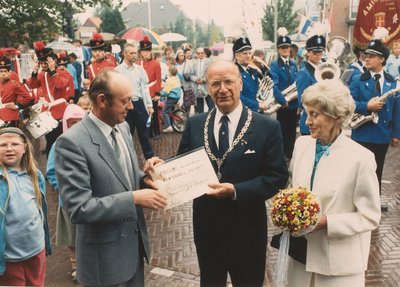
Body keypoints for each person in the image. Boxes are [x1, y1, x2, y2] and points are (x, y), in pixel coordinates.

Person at [176, 59, 288, 286]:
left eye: (228, 82)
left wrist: (236, 190)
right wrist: (161, 167)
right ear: (208, 87)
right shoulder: (195, 124)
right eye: (215, 83)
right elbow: (182, 166)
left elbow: (277, 177)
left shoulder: (266, 127)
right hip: (207, 229)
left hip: (247, 231)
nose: (222, 89)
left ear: (240, 84)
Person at [55, 68, 167, 286]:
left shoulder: (123, 127)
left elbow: (121, 172)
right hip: (103, 262)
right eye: (125, 101)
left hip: (133, 251)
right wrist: (133, 198)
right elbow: (78, 208)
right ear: (102, 100)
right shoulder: (71, 143)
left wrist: (144, 177)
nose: (132, 107)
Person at [287, 80, 381, 287]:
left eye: (314, 114)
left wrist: (328, 223)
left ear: (337, 117)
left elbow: (370, 216)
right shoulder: (301, 145)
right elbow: (292, 190)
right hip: (301, 259)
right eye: (306, 113)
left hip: (338, 268)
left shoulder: (361, 158)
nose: (307, 121)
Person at [349, 33, 400, 212]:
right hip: (362, 133)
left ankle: (373, 204)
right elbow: (348, 104)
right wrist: (366, 106)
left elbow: (397, 110)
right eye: (366, 55)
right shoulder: (357, 79)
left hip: (382, 134)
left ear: (382, 59)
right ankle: (356, 204)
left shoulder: (392, 82)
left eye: (371, 56)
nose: (366, 58)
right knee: (359, 171)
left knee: (378, 169)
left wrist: (395, 134)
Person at [0, 128, 52, 286]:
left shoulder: (35, 175)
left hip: (35, 250)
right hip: (8, 256)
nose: (9, 148)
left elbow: (40, 210)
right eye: (3, 145)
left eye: (15, 144)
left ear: (24, 148)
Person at [46, 104, 85, 284]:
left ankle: (87, 263)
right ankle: (76, 265)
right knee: (71, 236)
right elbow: (51, 171)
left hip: (88, 198)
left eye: (80, 122)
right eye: (72, 122)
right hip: (68, 200)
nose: (77, 125)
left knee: (87, 233)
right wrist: (63, 188)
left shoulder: (90, 141)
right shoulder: (58, 143)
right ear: (66, 124)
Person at [26, 41, 70, 156]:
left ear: (52, 60)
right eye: (41, 63)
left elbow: (61, 85)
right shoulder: (41, 74)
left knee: (60, 140)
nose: (44, 65)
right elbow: (31, 85)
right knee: (50, 142)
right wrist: (35, 71)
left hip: (59, 111)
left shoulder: (63, 72)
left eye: (46, 62)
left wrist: (52, 70)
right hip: (47, 112)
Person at [115, 43, 155, 160]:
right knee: (126, 135)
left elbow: (145, 88)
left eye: (135, 53)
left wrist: (149, 105)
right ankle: (128, 161)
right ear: (125, 54)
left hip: (139, 104)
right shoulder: (117, 71)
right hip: (125, 106)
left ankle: (151, 159)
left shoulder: (140, 70)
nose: (134, 55)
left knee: (144, 135)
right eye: (131, 53)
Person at [270, 29, 299, 160]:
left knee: (292, 131)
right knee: (282, 131)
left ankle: (290, 153)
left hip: (293, 104)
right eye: (282, 48)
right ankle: (281, 155)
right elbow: (274, 85)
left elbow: (297, 83)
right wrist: (282, 101)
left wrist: (298, 103)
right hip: (283, 105)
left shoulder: (293, 64)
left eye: (287, 47)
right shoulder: (275, 65)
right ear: (278, 50)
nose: (285, 50)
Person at [296, 34, 326, 135]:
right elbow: (302, 101)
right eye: (314, 52)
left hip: (323, 122)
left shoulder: (324, 70)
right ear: (308, 52)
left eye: (320, 52)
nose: (318, 55)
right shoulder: (304, 73)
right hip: (310, 123)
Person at [233, 37, 271, 112]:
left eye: (250, 53)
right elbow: (237, 97)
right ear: (237, 55)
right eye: (245, 53)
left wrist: (262, 66)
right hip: (245, 113)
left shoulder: (253, 70)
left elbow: (270, 79)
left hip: (256, 112)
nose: (248, 56)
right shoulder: (234, 72)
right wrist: (257, 105)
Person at [137, 36, 162, 140]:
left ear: (150, 51)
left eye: (147, 51)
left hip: (152, 91)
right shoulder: (138, 64)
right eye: (143, 51)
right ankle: (148, 132)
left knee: (154, 113)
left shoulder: (156, 64)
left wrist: (157, 93)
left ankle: (157, 131)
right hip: (142, 91)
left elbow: (158, 79)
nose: (145, 53)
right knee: (144, 113)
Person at [0, 51, 33, 128]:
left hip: (11, 116)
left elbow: (28, 97)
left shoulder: (14, 84)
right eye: (1, 71)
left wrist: (17, 106)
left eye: (5, 71)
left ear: (9, 73)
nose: (3, 73)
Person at [191, 47, 215, 113]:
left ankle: (211, 119)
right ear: (197, 54)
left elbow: (212, 74)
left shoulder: (209, 62)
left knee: (211, 106)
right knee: (199, 107)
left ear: (204, 53)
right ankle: (201, 120)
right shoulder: (194, 63)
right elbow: (191, 75)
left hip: (207, 86)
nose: (200, 54)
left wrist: (203, 80)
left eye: (202, 53)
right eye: (199, 53)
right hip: (198, 87)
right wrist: (196, 79)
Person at [161, 66, 182, 133]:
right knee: (171, 110)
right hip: (177, 97)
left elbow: (166, 91)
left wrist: (159, 94)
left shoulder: (170, 80)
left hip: (172, 97)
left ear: (170, 73)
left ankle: (168, 126)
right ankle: (172, 123)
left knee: (165, 112)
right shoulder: (177, 78)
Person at [177, 48, 196, 115]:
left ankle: (187, 114)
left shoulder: (188, 62)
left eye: (182, 55)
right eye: (180, 56)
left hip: (188, 85)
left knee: (188, 102)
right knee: (181, 102)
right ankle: (183, 115)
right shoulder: (176, 64)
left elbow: (192, 71)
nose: (181, 57)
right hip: (179, 85)